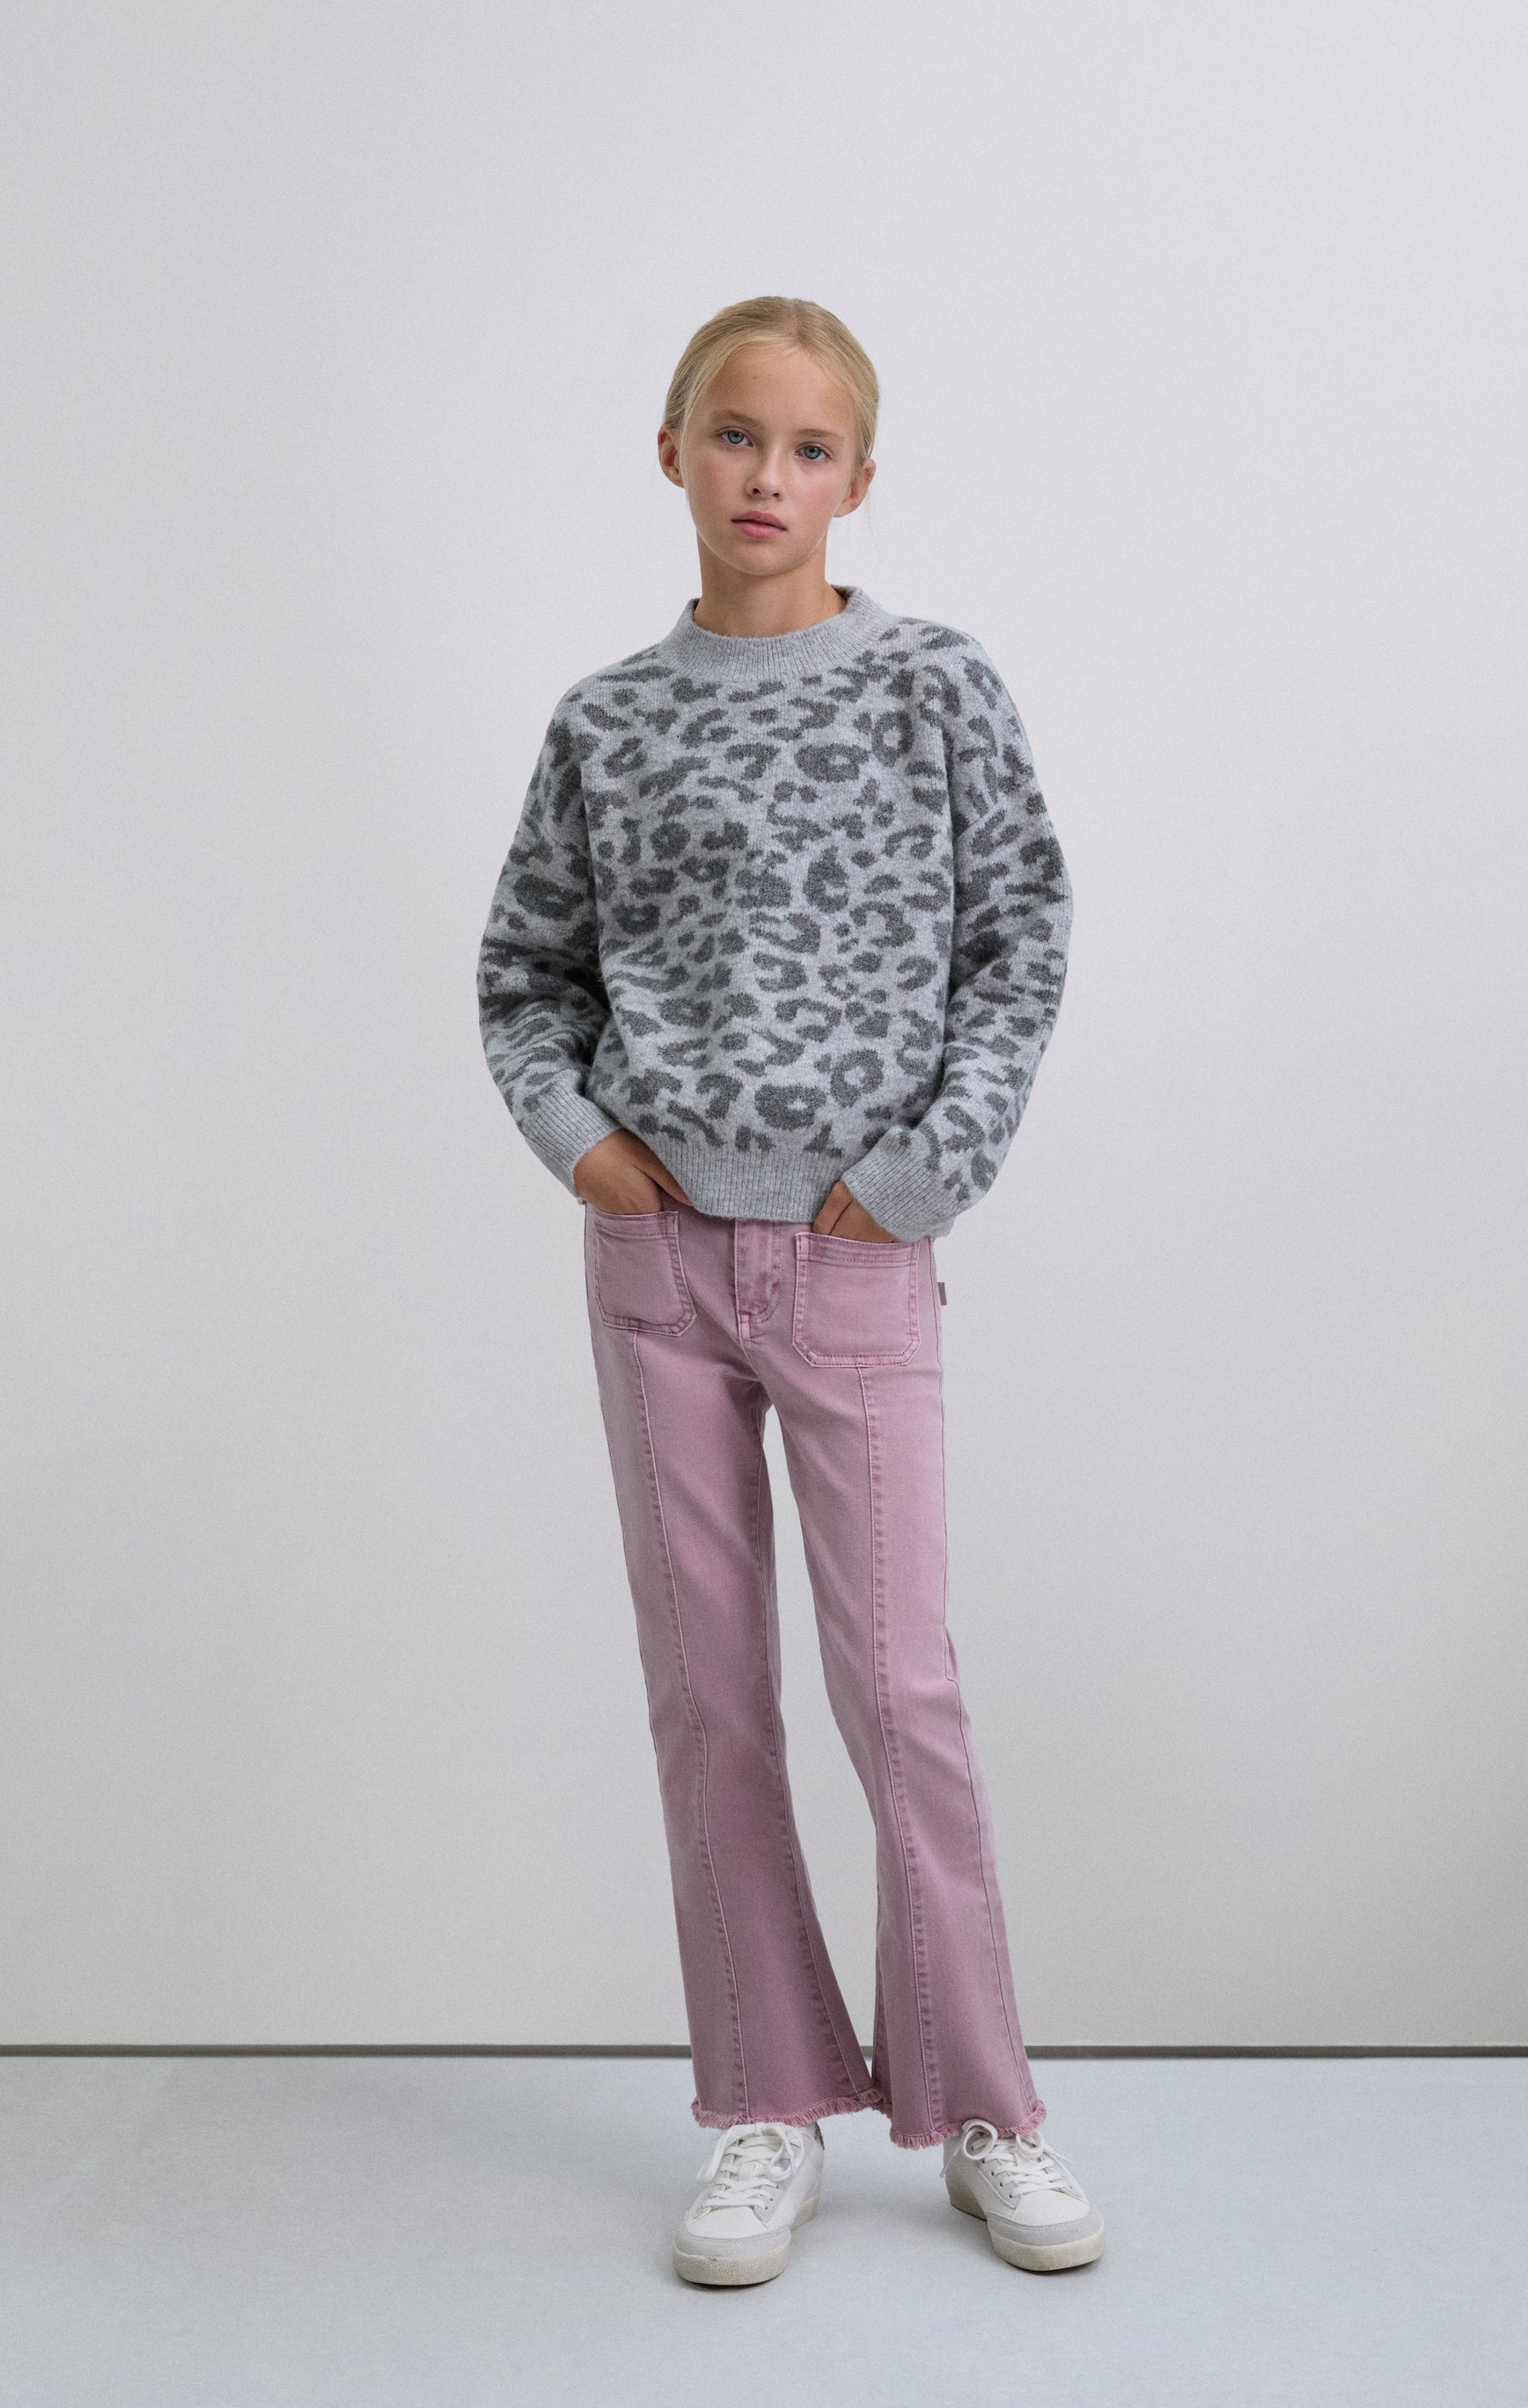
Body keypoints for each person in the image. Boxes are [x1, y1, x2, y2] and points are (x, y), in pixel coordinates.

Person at [476, 295, 1103, 2286]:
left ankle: (986, 2105)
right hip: (656, 1262)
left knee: (899, 1689)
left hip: (856, 1259)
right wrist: (583, 1145)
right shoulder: (605, 721)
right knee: (708, 1698)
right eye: (734, 437)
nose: (767, 477)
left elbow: (1020, 939)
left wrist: (919, 1178)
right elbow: (523, 974)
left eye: (808, 448)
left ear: (858, 478)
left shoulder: (931, 685)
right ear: (671, 452)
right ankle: (761, 2101)